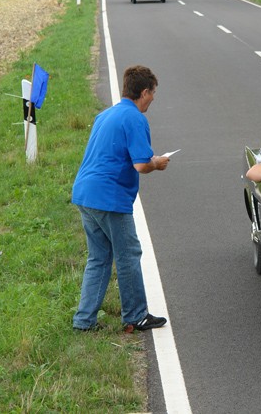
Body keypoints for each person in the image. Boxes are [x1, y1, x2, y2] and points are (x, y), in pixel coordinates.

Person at [72, 65, 169, 333]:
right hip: (109, 198)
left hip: (84, 193)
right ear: (144, 91)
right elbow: (141, 165)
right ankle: (136, 315)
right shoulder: (135, 119)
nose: (153, 99)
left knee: (99, 258)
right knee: (128, 254)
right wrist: (158, 163)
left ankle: (84, 320)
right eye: (153, 93)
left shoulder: (105, 115)